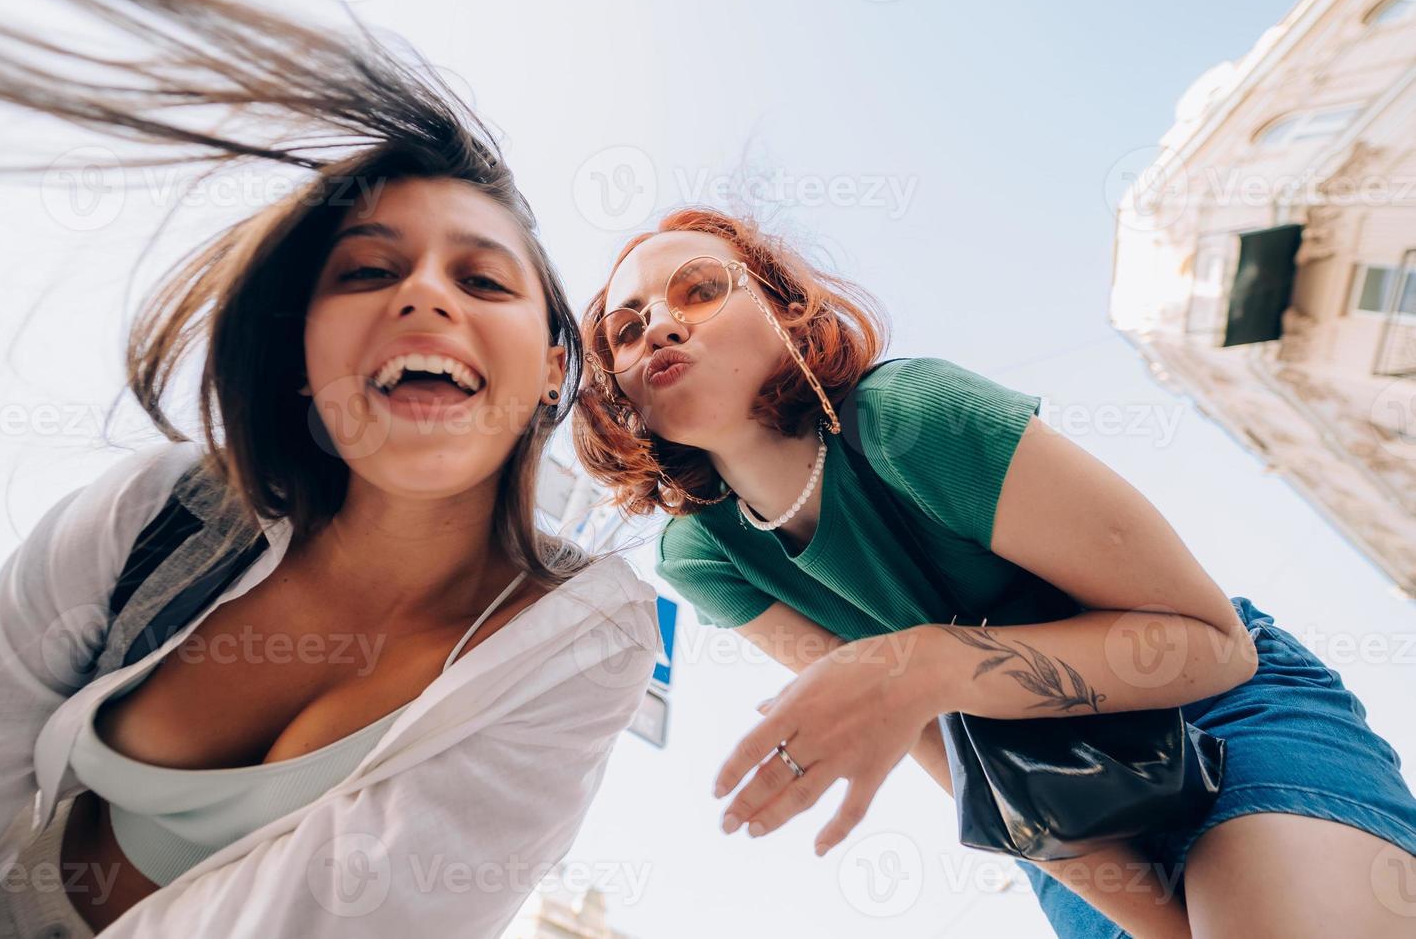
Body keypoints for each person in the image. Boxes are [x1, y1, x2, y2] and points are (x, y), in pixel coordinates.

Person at [0, 0, 659, 936]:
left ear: (548, 367)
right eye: (368, 270)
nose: (426, 296)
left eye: (486, 282)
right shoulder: (160, 511)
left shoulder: (582, 634)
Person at [569, 205, 1416, 937]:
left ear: (785, 311)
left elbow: (1213, 648)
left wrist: (930, 663)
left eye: (699, 290)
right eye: (626, 327)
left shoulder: (912, 418)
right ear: (623, 392)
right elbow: (936, 742)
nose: (659, 327)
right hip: (1056, 807)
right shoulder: (704, 555)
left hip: (1222, 716)